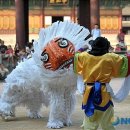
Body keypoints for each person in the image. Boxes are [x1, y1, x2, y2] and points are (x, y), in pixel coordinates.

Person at [74, 37, 130, 130]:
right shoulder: (111, 57)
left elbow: (76, 56)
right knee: (107, 121)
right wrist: (128, 54)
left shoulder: (84, 56)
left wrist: (82, 48)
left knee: (90, 119)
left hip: (88, 92)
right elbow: (125, 61)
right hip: (104, 92)